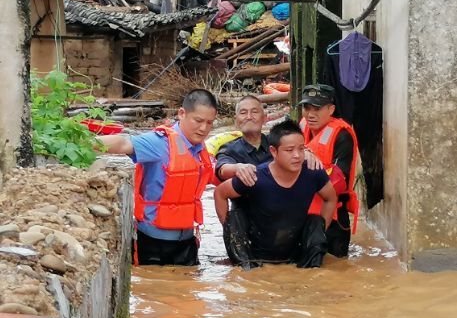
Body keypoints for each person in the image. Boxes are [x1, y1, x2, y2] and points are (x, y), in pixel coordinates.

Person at [96, 89, 218, 266]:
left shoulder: (200, 149)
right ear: (182, 113)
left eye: (209, 123)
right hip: (153, 242)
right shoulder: (159, 142)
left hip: (187, 242)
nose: (204, 128)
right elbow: (123, 143)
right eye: (198, 121)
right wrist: (78, 146)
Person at [214, 120, 337, 269]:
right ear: (273, 151)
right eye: (289, 150)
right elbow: (220, 193)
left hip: (294, 252)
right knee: (234, 218)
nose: (297, 156)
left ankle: (309, 268)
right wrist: (229, 231)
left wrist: (320, 233)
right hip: (256, 254)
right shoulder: (255, 177)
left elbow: (330, 199)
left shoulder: (313, 172)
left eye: (301, 149)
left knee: (316, 223)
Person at [298, 84, 359, 258]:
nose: (310, 114)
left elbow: (339, 182)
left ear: (331, 109)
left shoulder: (341, 136)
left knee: (337, 271)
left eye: (317, 108)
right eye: (306, 107)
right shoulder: (301, 128)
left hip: (333, 217)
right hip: (304, 212)